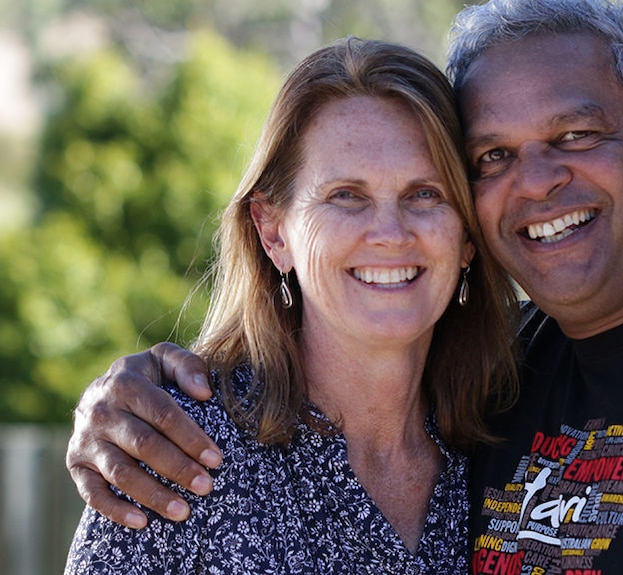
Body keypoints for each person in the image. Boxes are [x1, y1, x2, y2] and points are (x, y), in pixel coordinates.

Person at [66, 0, 623, 573]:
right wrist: (119, 392)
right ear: (273, 229)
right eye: (493, 157)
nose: (539, 182)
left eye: (575, 136)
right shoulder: (492, 388)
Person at [64, 36, 519, 574]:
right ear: (274, 231)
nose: (392, 234)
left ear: (467, 234)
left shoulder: (513, 441)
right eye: (346, 195)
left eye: (426, 194)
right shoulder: (174, 453)